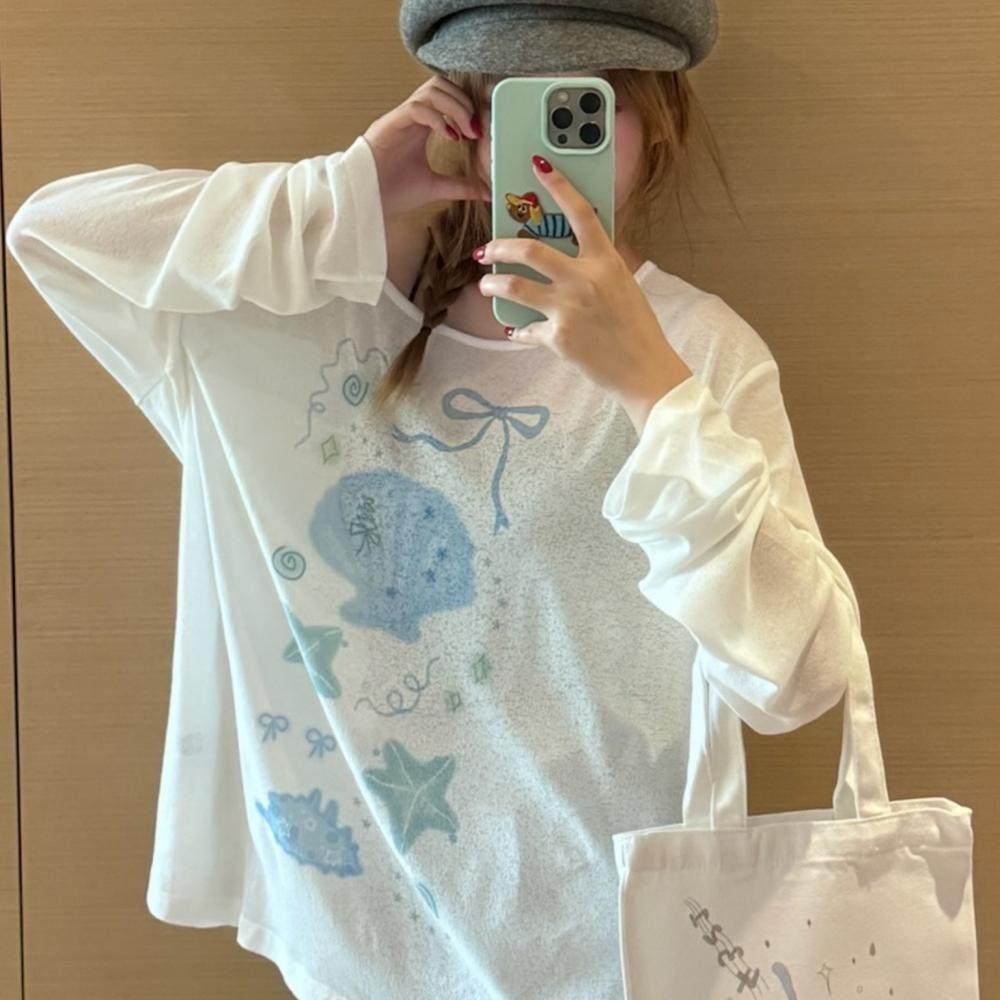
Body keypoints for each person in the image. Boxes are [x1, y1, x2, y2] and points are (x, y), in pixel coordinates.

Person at [4, 2, 867, 997]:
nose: (544, 150)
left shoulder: (699, 353)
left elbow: (795, 680)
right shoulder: (318, 317)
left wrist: (653, 391)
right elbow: (54, 234)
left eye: (584, 108)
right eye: (510, 102)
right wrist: (344, 195)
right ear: (461, 114)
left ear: (659, 119)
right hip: (361, 954)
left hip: (609, 956)